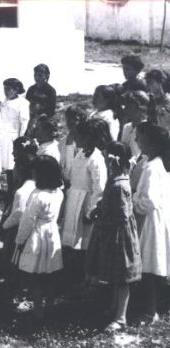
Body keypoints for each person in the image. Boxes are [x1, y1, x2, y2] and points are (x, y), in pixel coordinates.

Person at [86, 141, 141, 332]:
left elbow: (122, 216)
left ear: (114, 162)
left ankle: (121, 317)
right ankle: (114, 307)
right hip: (113, 233)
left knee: (122, 277)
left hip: (120, 235)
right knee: (115, 275)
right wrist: (99, 209)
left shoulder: (120, 185)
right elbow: (109, 202)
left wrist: (102, 221)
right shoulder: (117, 178)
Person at [13, 155, 64, 319]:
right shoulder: (59, 193)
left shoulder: (37, 196)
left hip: (36, 235)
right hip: (52, 233)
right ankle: (49, 306)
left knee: (33, 275)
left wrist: (20, 240)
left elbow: (28, 220)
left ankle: (38, 309)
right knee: (50, 274)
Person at [61, 120, 108, 287]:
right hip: (75, 198)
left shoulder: (96, 158)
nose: (76, 138)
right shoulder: (80, 153)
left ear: (88, 137)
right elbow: (69, 174)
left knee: (86, 242)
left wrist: (92, 210)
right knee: (73, 239)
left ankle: (88, 276)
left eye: (79, 136)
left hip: (86, 202)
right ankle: (74, 273)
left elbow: (99, 187)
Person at [133, 122, 170, 324]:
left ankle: (151, 310)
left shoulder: (151, 167)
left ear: (152, 143)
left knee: (150, 267)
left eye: (140, 137)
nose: (136, 141)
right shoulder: (159, 163)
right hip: (160, 217)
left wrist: (133, 204)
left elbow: (149, 201)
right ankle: (153, 304)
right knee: (155, 264)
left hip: (151, 221)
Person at [1, 137, 37, 272]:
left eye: (14, 150)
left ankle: (10, 268)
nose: (12, 154)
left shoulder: (23, 168)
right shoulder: (21, 166)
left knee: (12, 239)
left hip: (19, 211)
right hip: (14, 201)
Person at [0, 78, 29, 193]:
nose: (6, 91)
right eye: (5, 89)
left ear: (16, 90)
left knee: (14, 164)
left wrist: (20, 138)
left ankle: (16, 189)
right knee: (7, 165)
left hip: (14, 135)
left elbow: (24, 121)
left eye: (9, 89)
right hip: (4, 136)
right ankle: (9, 188)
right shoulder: (5, 101)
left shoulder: (23, 103)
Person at [60, 105, 87, 184]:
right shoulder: (62, 142)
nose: (70, 122)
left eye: (75, 119)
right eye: (68, 119)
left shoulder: (87, 142)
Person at [120, 91, 150, 158]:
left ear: (141, 108)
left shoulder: (148, 129)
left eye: (129, 106)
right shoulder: (126, 127)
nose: (125, 109)